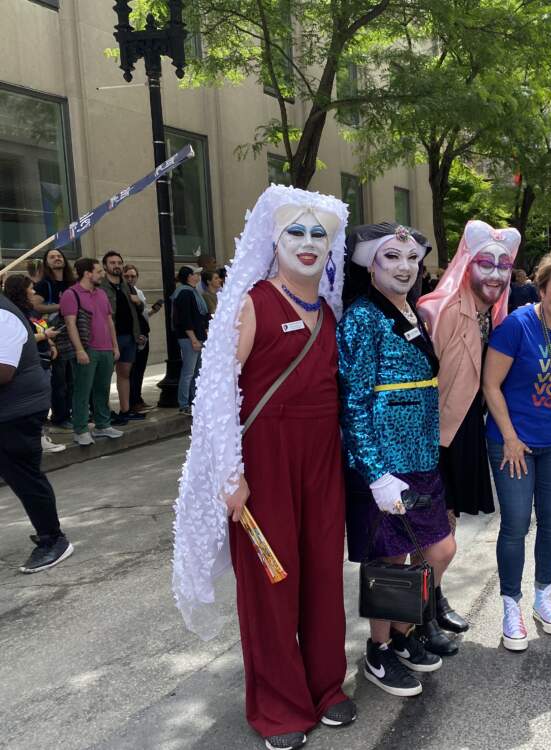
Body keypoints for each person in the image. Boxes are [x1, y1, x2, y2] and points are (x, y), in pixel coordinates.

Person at [172, 186, 354, 750]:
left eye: (318, 234)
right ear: (273, 240)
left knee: (323, 573)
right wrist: (230, 473)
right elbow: (216, 394)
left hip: (322, 459)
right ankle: (277, 705)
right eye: (295, 233)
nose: (306, 243)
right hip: (265, 461)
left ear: (332, 246)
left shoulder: (328, 307)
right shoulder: (251, 302)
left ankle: (325, 687)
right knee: (272, 583)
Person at [339, 222, 458, 695]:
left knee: (434, 550)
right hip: (386, 461)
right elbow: (352, 402)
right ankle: (378, 650)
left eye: (411, 259)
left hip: (422, 456)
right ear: (370, 265)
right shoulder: (361, 318)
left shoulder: (414, 313)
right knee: (389, 559)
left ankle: (403, 635)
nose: (405, 267)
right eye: (392, 258)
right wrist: (374, 473)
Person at [417, 219, 522, 639]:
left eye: (504, 265)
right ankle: (417, 616)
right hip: (432, 437)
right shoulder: (435, 310)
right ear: (467, 262)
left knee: (449, 524)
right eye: (486, 263)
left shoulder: (493, 316)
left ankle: (432, 598)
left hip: (465, 432)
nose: (496, 274)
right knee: (430, 534)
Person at [482, 251, 551, 651]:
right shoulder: (517, 325)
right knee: (515, 524)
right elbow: (490, 384)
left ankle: (545, 595)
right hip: (513, 442)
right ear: (541, 289)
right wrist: (509, 437)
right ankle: (511, 604)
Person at [0, 284, 74, 572]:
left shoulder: (4, 316)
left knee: (24, 476)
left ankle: (53, 539)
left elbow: (4, 371)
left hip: (17, 411)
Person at [60, 258, 122, 446]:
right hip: (87, 349)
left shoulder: (102, 293)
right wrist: (79, 350)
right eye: (98, 272)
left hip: (106, 350)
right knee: (82, 390)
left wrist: (115, 346)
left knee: (102, 389)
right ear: (87, 273)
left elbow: (109, 321)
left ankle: (103, 424)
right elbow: (70, 324)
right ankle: (80, 429)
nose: (102, 275)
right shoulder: (71, 294)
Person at [3, 275, 65, 454]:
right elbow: (26, 338)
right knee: (35, 406)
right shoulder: (14, 312)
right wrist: (46, 336)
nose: (34, 291)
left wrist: (51, 343)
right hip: (32, 364)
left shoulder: (32, 311)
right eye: (30, 288)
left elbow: (41, 328)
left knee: (43, 402)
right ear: (21, 290)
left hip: (44, 361)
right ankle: (38, 439)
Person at [33, 248, 76, 428]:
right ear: (47, 262)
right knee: (59, 382)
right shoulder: (44, 284)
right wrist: (61, 306)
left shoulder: (71, 282)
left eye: (59, 256)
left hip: (73, 336)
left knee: (72, 380)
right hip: (54, 337)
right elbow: (36, 306)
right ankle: (60, 417)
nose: (57, 259)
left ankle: (70, 413)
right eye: (52, 257)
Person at [99, 251, 143, 423]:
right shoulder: (101, 286)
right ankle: (105, 412)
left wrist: (137, 333)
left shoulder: (126, 285)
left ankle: (125, 409)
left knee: (124, 373)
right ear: (105, 266)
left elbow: (135, 311)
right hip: (110, 337)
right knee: (104, 376)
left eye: (119, 262)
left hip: (129, 335)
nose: (116, 265)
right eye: (112, 263)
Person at [123, 265, 161, 411]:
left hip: (144, 333)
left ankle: (138, 398)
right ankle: (133, 402)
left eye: (133, 276)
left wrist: (153, 311)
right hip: (134, 336)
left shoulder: (138, 292)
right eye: (127, 276)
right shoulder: (125, 292)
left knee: (140, 369)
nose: (130, 279)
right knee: (132, 370)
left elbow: (142, 315)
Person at [171, 266, 209, 415]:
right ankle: (183, 403)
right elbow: (185, 319)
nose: (198, 276)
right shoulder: (185, 293)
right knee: (188, 372)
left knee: (196, 372)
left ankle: (194, 400)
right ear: (188, 276)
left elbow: (200, 317)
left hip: (197, 337)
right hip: (189, 338)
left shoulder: (192, 292)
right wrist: (193, 339)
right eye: (195, 274)